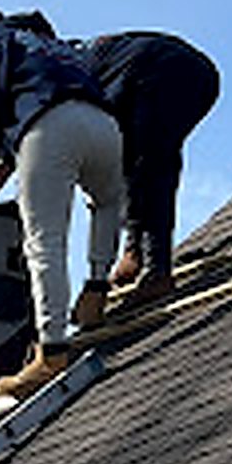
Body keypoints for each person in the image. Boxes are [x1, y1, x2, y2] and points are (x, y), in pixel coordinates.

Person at [0, 6, 122, 398]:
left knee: (45, 241)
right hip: (104, 125)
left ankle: (51, 352)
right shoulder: (47, 45)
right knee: (107, 202)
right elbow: (20, 155)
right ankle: (97, 288)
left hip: (48, 129)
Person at [79, 31, 221, 305]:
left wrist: (96, 281)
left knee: (150, 166)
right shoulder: (76, 56)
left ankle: (156, 272)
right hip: (197, 73)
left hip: (155, 74)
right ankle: (139, 255)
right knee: (146, 162)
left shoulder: (46, 77)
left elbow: (100, 191)